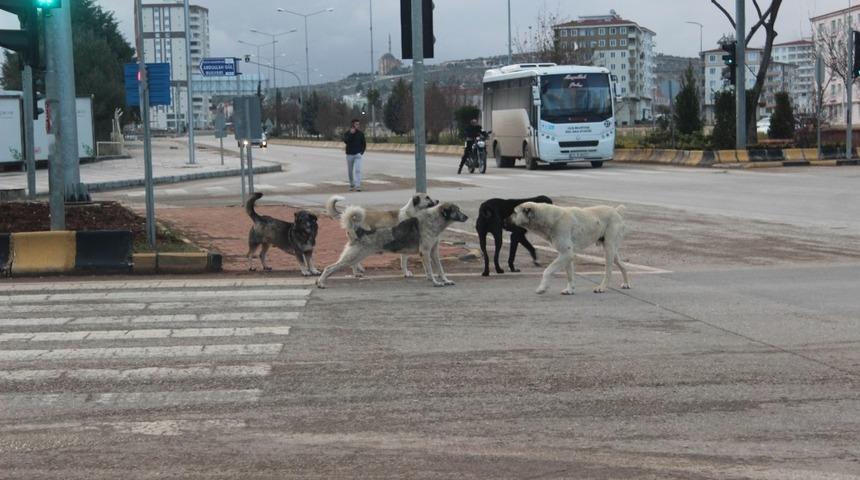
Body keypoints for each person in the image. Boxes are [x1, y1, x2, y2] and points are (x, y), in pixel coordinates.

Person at [342, 118, 366, 191]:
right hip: (349, 155)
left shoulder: (361, 134)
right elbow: (346, 141)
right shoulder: (347, 133)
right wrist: (351, 134)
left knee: (358, 170)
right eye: (356, 124)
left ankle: (358, 186)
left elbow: (364, 144)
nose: (358, 125)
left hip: (357, 155)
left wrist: (361, 152)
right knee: (350, 171)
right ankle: (352, 184)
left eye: (358, 124)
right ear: (352, 125)